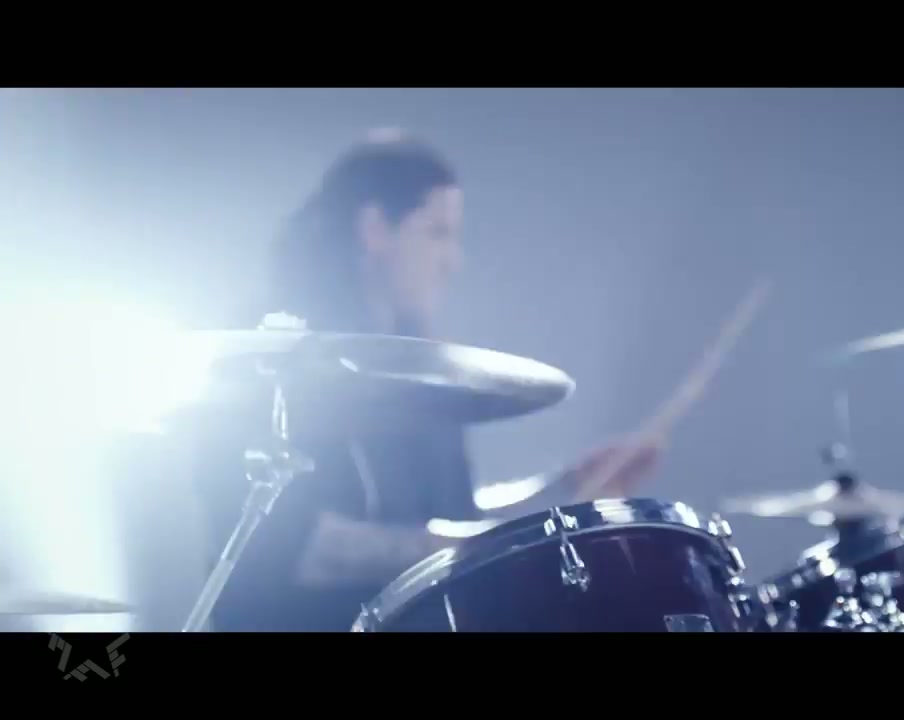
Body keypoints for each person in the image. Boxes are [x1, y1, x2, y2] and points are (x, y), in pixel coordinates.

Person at [189, 129, 663, 631]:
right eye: (437, 233)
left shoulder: (422, 372)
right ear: (375, 228)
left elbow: (450, 516)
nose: (452, 261)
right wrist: (485, 547)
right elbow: (299, 548)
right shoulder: (273, 358)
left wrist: (562, 490)